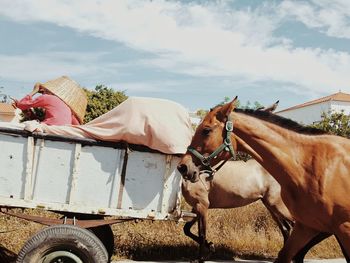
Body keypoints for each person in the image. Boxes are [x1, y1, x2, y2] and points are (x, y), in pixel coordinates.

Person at [13, 82, 80, 125]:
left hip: (50, 131)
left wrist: (34, 91)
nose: (42, 92)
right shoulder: (67, 106)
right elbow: (77, 124)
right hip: (61, 133)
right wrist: (29, 112)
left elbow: (21, 104)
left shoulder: (47, 97)